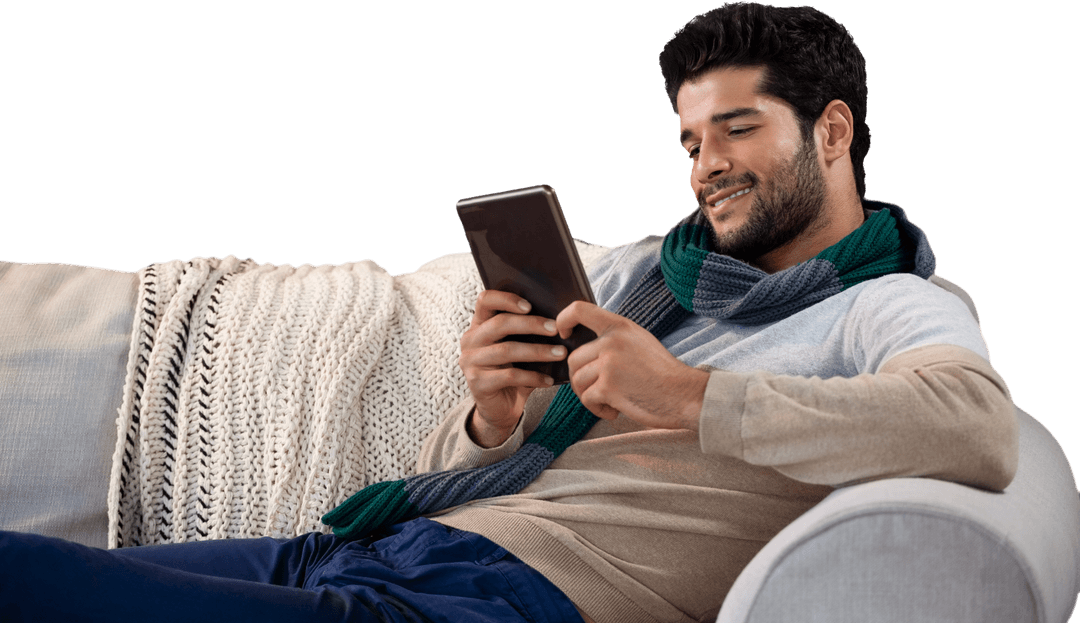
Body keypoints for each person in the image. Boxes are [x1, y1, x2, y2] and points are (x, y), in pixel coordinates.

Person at [0, 3, 1016, 622]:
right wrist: (493, 412)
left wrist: (692, 396)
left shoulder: (888, 301)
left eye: (737, 130)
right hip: (384, 544)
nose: (707, 166)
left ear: (832, 131)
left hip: (495, 599)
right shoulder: (651, 282)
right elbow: (490, 462)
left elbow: (975, 426)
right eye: (691, 141)